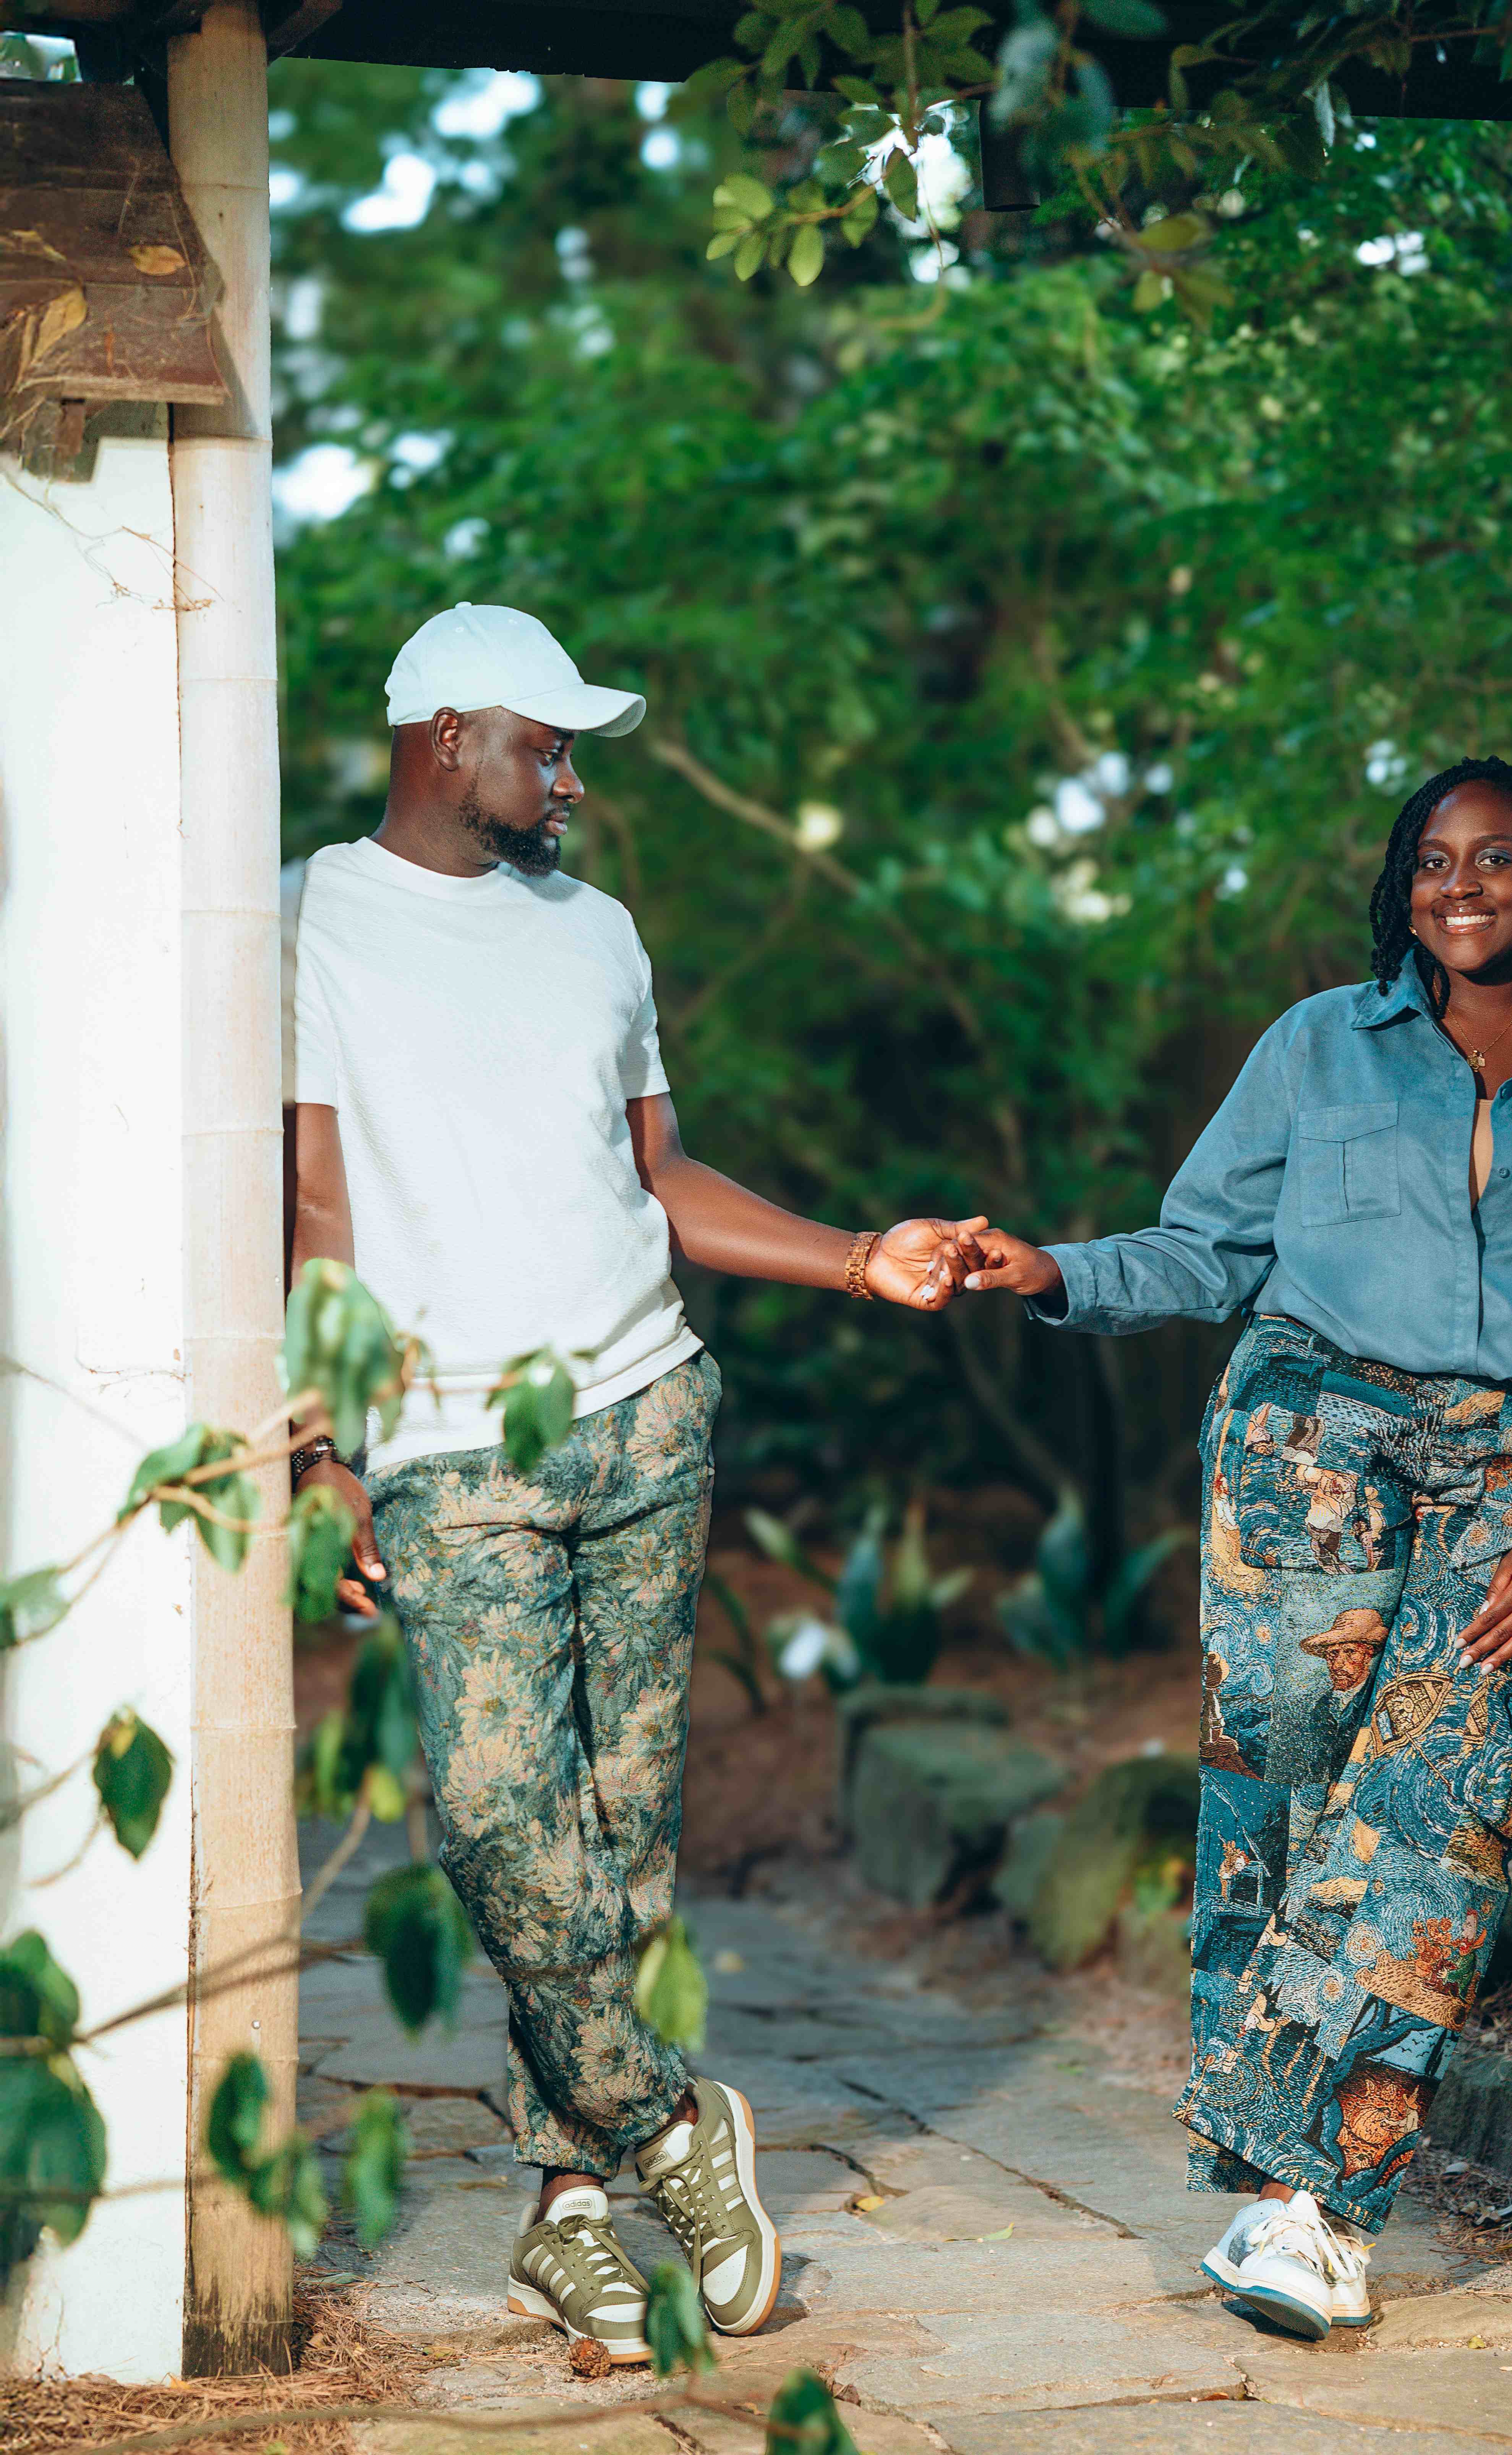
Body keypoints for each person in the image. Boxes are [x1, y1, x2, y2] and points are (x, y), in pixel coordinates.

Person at [288, 602, 979, 2363]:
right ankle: (672, 2128)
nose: (570, 780)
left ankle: (567, 2215)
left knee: (620, 1844)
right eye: (547, 747)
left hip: (646, 1412)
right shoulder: (309, 921)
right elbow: (312, 1209)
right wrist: (321, 1445)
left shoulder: (596, 931)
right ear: (447, 737)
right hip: (450, 1446)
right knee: (499, 1824)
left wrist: (858, 1257)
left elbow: (662, 1175)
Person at [954, 758, 1512, 2340]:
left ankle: (1311, 2205)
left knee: (1453, 1794)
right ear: (1403, 890)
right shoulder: (1316, 1043)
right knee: (1282, 1798)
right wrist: (1051, 1271)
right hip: (1308, 1441)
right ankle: (1292, 2202)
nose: (1458, 886)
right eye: (1431, 861)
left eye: (1494, 858)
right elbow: (1204, 1249)